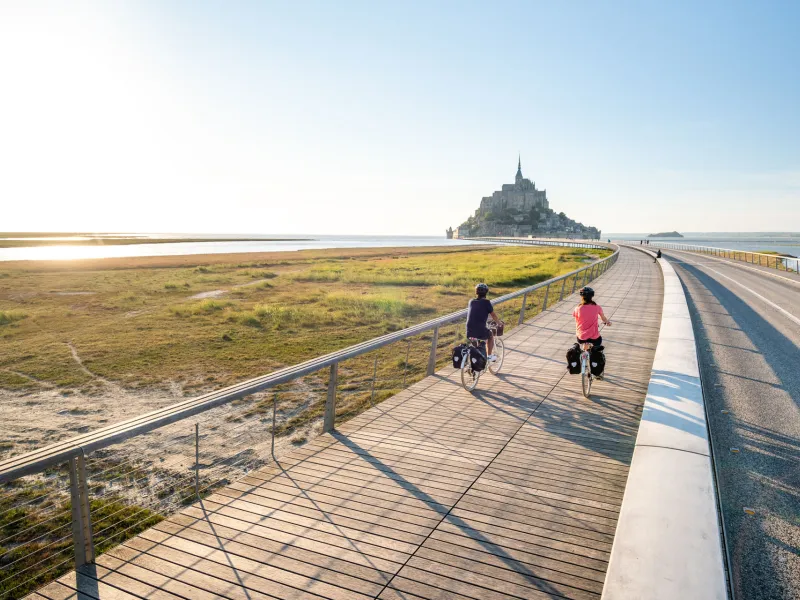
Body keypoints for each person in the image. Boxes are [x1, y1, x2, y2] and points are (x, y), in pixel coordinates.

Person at [572, 286, 611, 379]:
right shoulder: (597, 307)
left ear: (582, 296)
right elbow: (603, 318)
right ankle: (598, 371)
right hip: (594, 336)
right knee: (597, 347)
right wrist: (607, 322)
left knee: (584, 342)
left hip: (581, 336)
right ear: (592, 296)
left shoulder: (577, 308)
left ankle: (584, 359)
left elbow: (576, 319)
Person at [466, 283, 503, 360]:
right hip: (480, 330)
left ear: (476, 292)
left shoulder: (471, 301)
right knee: (490, 336)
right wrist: (499, 323)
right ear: (486, 292)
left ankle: (476, 361)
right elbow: (493, 315)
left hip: (469, 330)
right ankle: (489, 356)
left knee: (477, 345)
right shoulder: (486, 302)